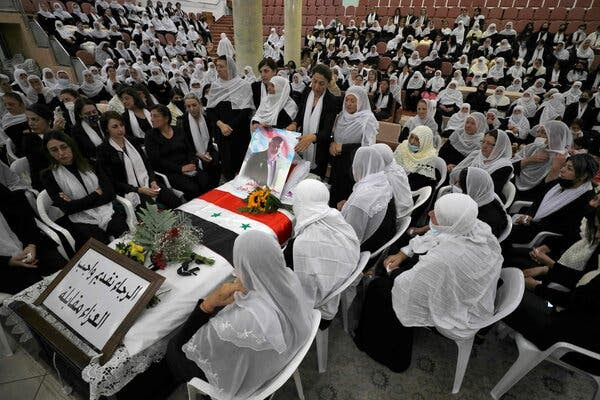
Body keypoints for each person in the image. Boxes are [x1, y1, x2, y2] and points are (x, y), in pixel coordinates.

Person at [127, 230, 313, 400]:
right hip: (285, 355)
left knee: (172, 350)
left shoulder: (237, 321)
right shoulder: (290, 278)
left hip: (254, 380)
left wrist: (207, 306)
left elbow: (186, 349)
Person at [354, 193, 502, 372]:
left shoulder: (446, 258)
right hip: (469, 290)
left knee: (380, 289)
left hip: (462, 310)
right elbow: (435, 235)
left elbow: (410, 286)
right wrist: (403, 253)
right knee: (404, 266)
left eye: (437, 214)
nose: (430, 213)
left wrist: (392, 271)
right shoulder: (476, 227)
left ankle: (388, 354)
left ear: (452, 222)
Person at [283, 179, 360, 326]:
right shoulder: (336, 218)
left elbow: (282, 275)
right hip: (337, 282)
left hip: (316, 310)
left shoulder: (301, 244)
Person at [41, 131, 128, 247]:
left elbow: (110, 194)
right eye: (54, 150)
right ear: (49, 153)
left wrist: (77, 203)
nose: (61, 153)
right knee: (102, 247)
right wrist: (96, 194)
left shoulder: (91, 163)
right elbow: (68, 208)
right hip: (80, 220)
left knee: (127, 239)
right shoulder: (48, 176)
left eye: (63, 147)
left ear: (71, 146)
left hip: (106, 211)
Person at [1, 162, 67, 294]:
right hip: (5, 267)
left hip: (30, 246)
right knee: (37, 296)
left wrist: (31, 244)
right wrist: (9, 261)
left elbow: (23, 215)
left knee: (66, 272)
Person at [508, 153, 598, 248]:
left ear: (583, 176)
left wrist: (530, 221)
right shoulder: (563, 182)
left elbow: (566, 230)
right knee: (495, 218)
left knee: (496, 228)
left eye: (569, 169)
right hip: (528, 222)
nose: (562, 170)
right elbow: (538, 201)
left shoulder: (587, 201)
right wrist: (528, 215)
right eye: (564, 166)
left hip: (540, 235)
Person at [96, 111, 182, 209]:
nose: (120, 129)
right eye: (115, 127)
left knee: (176, 202)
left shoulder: (132, 141)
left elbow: (147, 164)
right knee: (156, 212)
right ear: (107, 129)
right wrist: (139, 190)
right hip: (129, 191)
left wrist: (153, 180)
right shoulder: (103, 150)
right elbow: (112, 182)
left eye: (121, 125)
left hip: (147, 182)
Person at [287, 64, 341, 179]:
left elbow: (327, 132)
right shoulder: (307, 92)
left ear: (327, 83)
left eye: (321, 83)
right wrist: (294, 124)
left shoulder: (331, 101)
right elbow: (300, 114)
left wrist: (312, 137)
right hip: (303, 145)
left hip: (319, 152)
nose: (316, 87)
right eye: (314, 81)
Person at [205, 55, 254, 180]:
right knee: (227, 166)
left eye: (221, 66)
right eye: (217, 66)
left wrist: (230, 126)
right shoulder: (216, 86)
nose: (218, 69)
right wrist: (221, 125)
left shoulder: (244, 85)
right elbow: (210, 110)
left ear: (230, 68)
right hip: (222, 133)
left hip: (239, 132)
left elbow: (246, 110)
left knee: (243, 166)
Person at [145, 104, 208, 200]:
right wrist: (180, 169)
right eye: (151, 116)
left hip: (188, 166)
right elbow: (156, 161)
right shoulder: (150, 136)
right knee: (192, 189)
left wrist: (192, 163)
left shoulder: (178, 130)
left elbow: (189, 150)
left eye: (156, 116)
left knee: (206, 181)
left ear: (166, 118)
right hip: (170, 171)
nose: (152, 119)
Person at [328, 86, 379, 206]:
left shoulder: (367, 119)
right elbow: (334, 135)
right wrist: (332, 143)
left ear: (360, 102)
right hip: (337, 162)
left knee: (346, 200)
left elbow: (368, 148)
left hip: (353, 164)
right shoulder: (342, 115)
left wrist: (344, 147)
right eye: (347, 100)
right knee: (334, 197)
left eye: (353, 101)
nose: (348, 104)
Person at [341, 146, 396, 253]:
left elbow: (350, 238)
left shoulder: (360, 200)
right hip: (381, 240)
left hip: (363, 249)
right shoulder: (382, 182)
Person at [512, 121, 571, 199]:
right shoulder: (534, 147)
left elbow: (549, 191)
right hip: (514, 183)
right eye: (538, 132)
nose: (538, 135)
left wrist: (555, 169)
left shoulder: (563, 159)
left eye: (544, 133)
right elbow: (511, 166)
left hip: (533, 196)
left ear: (555, 136)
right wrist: (529, 160)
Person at [449, 129, 513, 200]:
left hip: (484, 200)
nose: (484, 146)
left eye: (489, 143)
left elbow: (489, 191)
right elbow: (461, 171)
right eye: (483, 142)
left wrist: (462, 182)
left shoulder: (504, 167)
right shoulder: (477, 155)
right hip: (465, 192)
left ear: (499, 147)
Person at [178, 93, 220, 190]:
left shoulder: (205, 118)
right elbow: (185, 144)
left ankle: (216, 188)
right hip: (192, 153)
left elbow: (209, 138)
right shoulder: (182, 121)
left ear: (199, 104)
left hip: (207, 149)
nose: (191, 109)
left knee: (216, 162)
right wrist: (198, 154)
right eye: (188, 106)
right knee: (202, 171)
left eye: (194, 105)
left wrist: (208, 151)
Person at [394, 125, 439, 190]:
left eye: (417, 140)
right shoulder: (403, 147)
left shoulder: (429, 158)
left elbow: (415, 185)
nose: (412, 142)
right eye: (411, 137)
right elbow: (392, 165)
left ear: (425, 142)